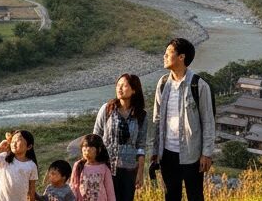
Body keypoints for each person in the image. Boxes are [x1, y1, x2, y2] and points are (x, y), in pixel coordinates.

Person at [150, 38, 216, 201]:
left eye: (169, 53)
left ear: (181, 57)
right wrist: (155, 150)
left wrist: (206, 153)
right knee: (171, 196)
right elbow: (157, 119)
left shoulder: (199, 85)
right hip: (167, 153)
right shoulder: (163, 83)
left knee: (195, 196)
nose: (164, 56)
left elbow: (208, 121)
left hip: (191, 153)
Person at [92, 73, 148, 200]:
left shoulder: (141, 115)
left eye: (124, 85)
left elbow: (140, 146)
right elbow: (95, 137)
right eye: (118, 85)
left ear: (134, 90)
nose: (119, 88)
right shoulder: (107, 109)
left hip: (129, 170)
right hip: (106, 167)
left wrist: (140, 172)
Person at [0, 129, 39, 201]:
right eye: (12, 141)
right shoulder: (5, 158)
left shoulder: (31, 165)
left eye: (18, 140)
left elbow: (32, 188)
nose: (14, 143)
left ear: (29, 146)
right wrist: (0, 146)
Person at [71, 134, 117, 201]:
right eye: (84, 150)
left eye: (91, 149)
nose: (87, 152)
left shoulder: (104, 168)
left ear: (99, 149)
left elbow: (110, 191)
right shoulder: (78, 165)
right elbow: (73, 186)